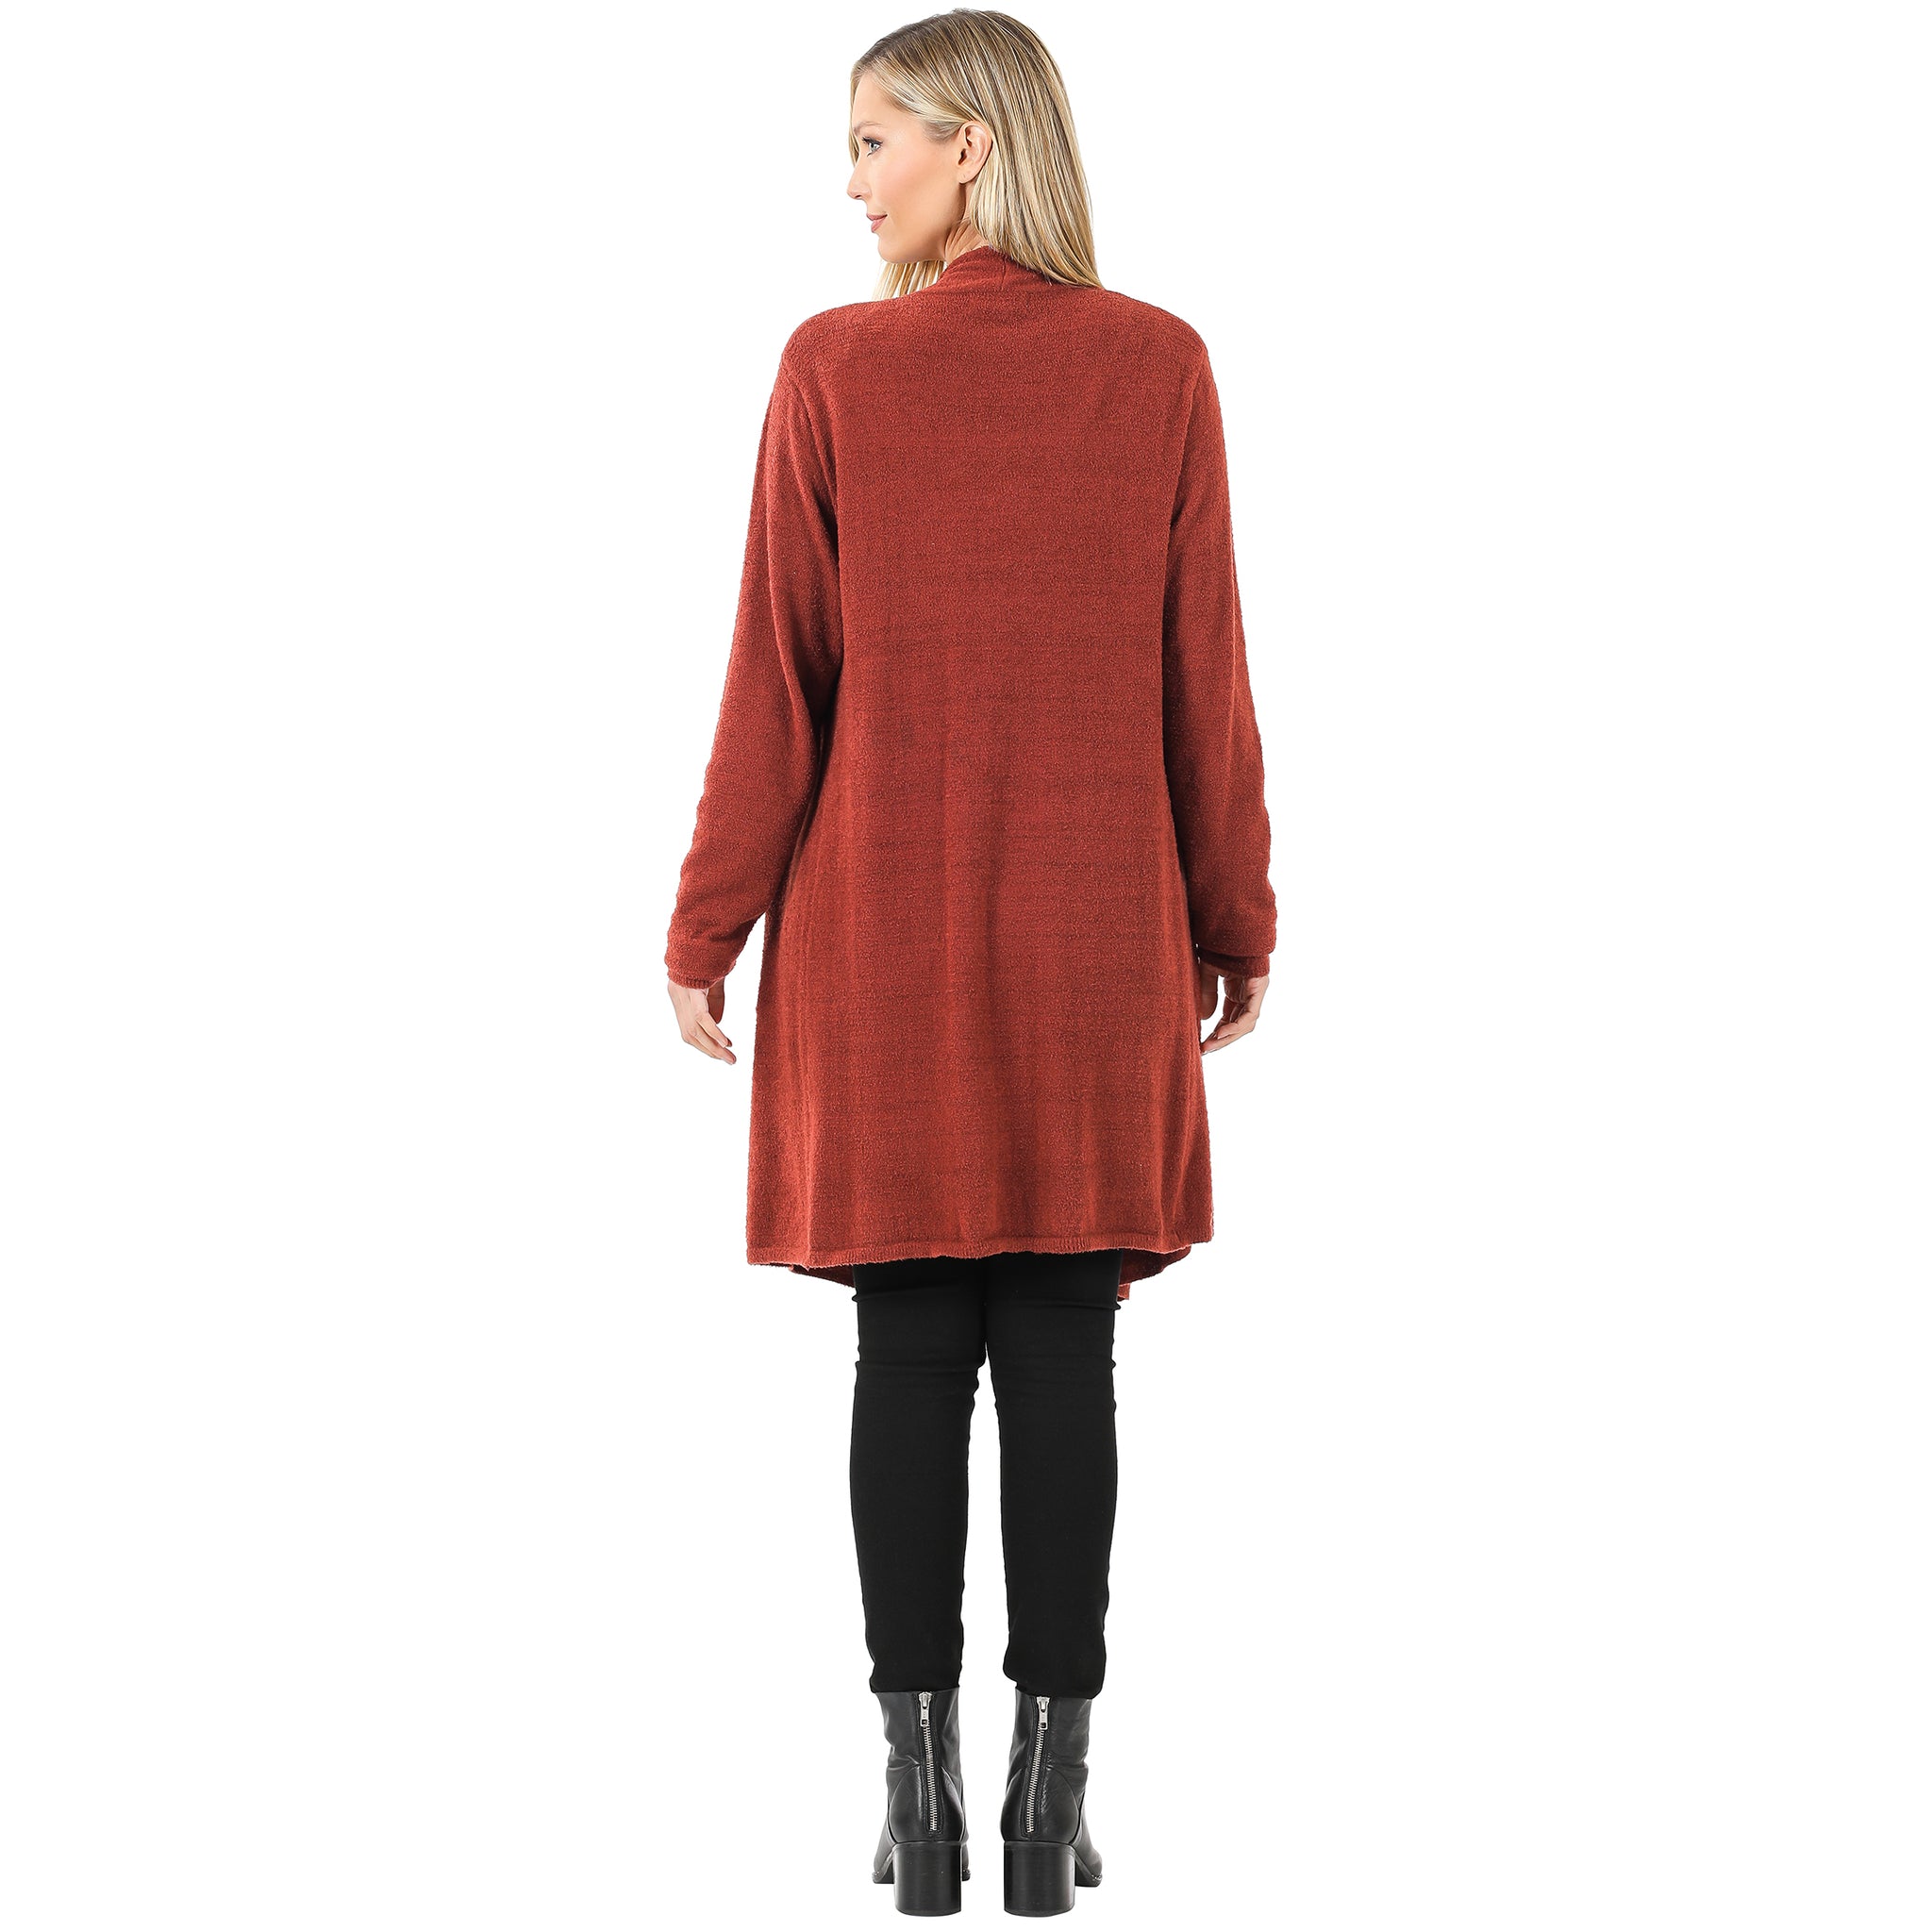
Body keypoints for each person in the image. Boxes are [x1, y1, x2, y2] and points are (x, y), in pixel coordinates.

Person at [664, 9, 1274, 1916]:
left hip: (883, 934)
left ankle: (916, 1793)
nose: (851, 182)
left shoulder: (834, 370)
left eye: (874, 141)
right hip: (1097, 936)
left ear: (974, 148)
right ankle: (1045, 1796)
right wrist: (1236, 915)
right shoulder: (1159, 364)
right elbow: (1202, 678)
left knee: (911, 1358)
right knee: (1066, 1358)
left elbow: (779, 678)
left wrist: (707, 921)